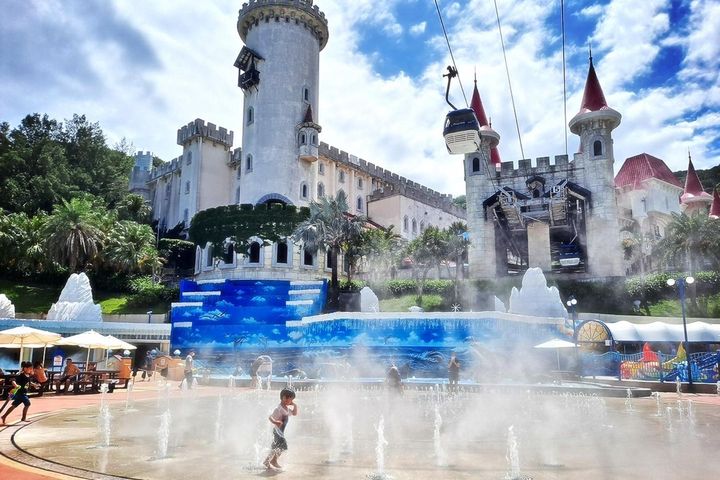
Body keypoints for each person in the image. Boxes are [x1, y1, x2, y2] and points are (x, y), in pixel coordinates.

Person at [263, 388, 299, 471]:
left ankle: (268, 461)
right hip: (277, 431)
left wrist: (295, 405)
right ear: (282, 397)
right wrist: (275, 421)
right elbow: (270, 417)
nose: (288, 400)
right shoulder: (279, 408)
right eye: (286, 397)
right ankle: (273, 460)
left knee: (276, 447)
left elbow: (294, 413)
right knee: (282, 446)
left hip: (280, 432)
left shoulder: (286, 409)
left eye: (290, 399)